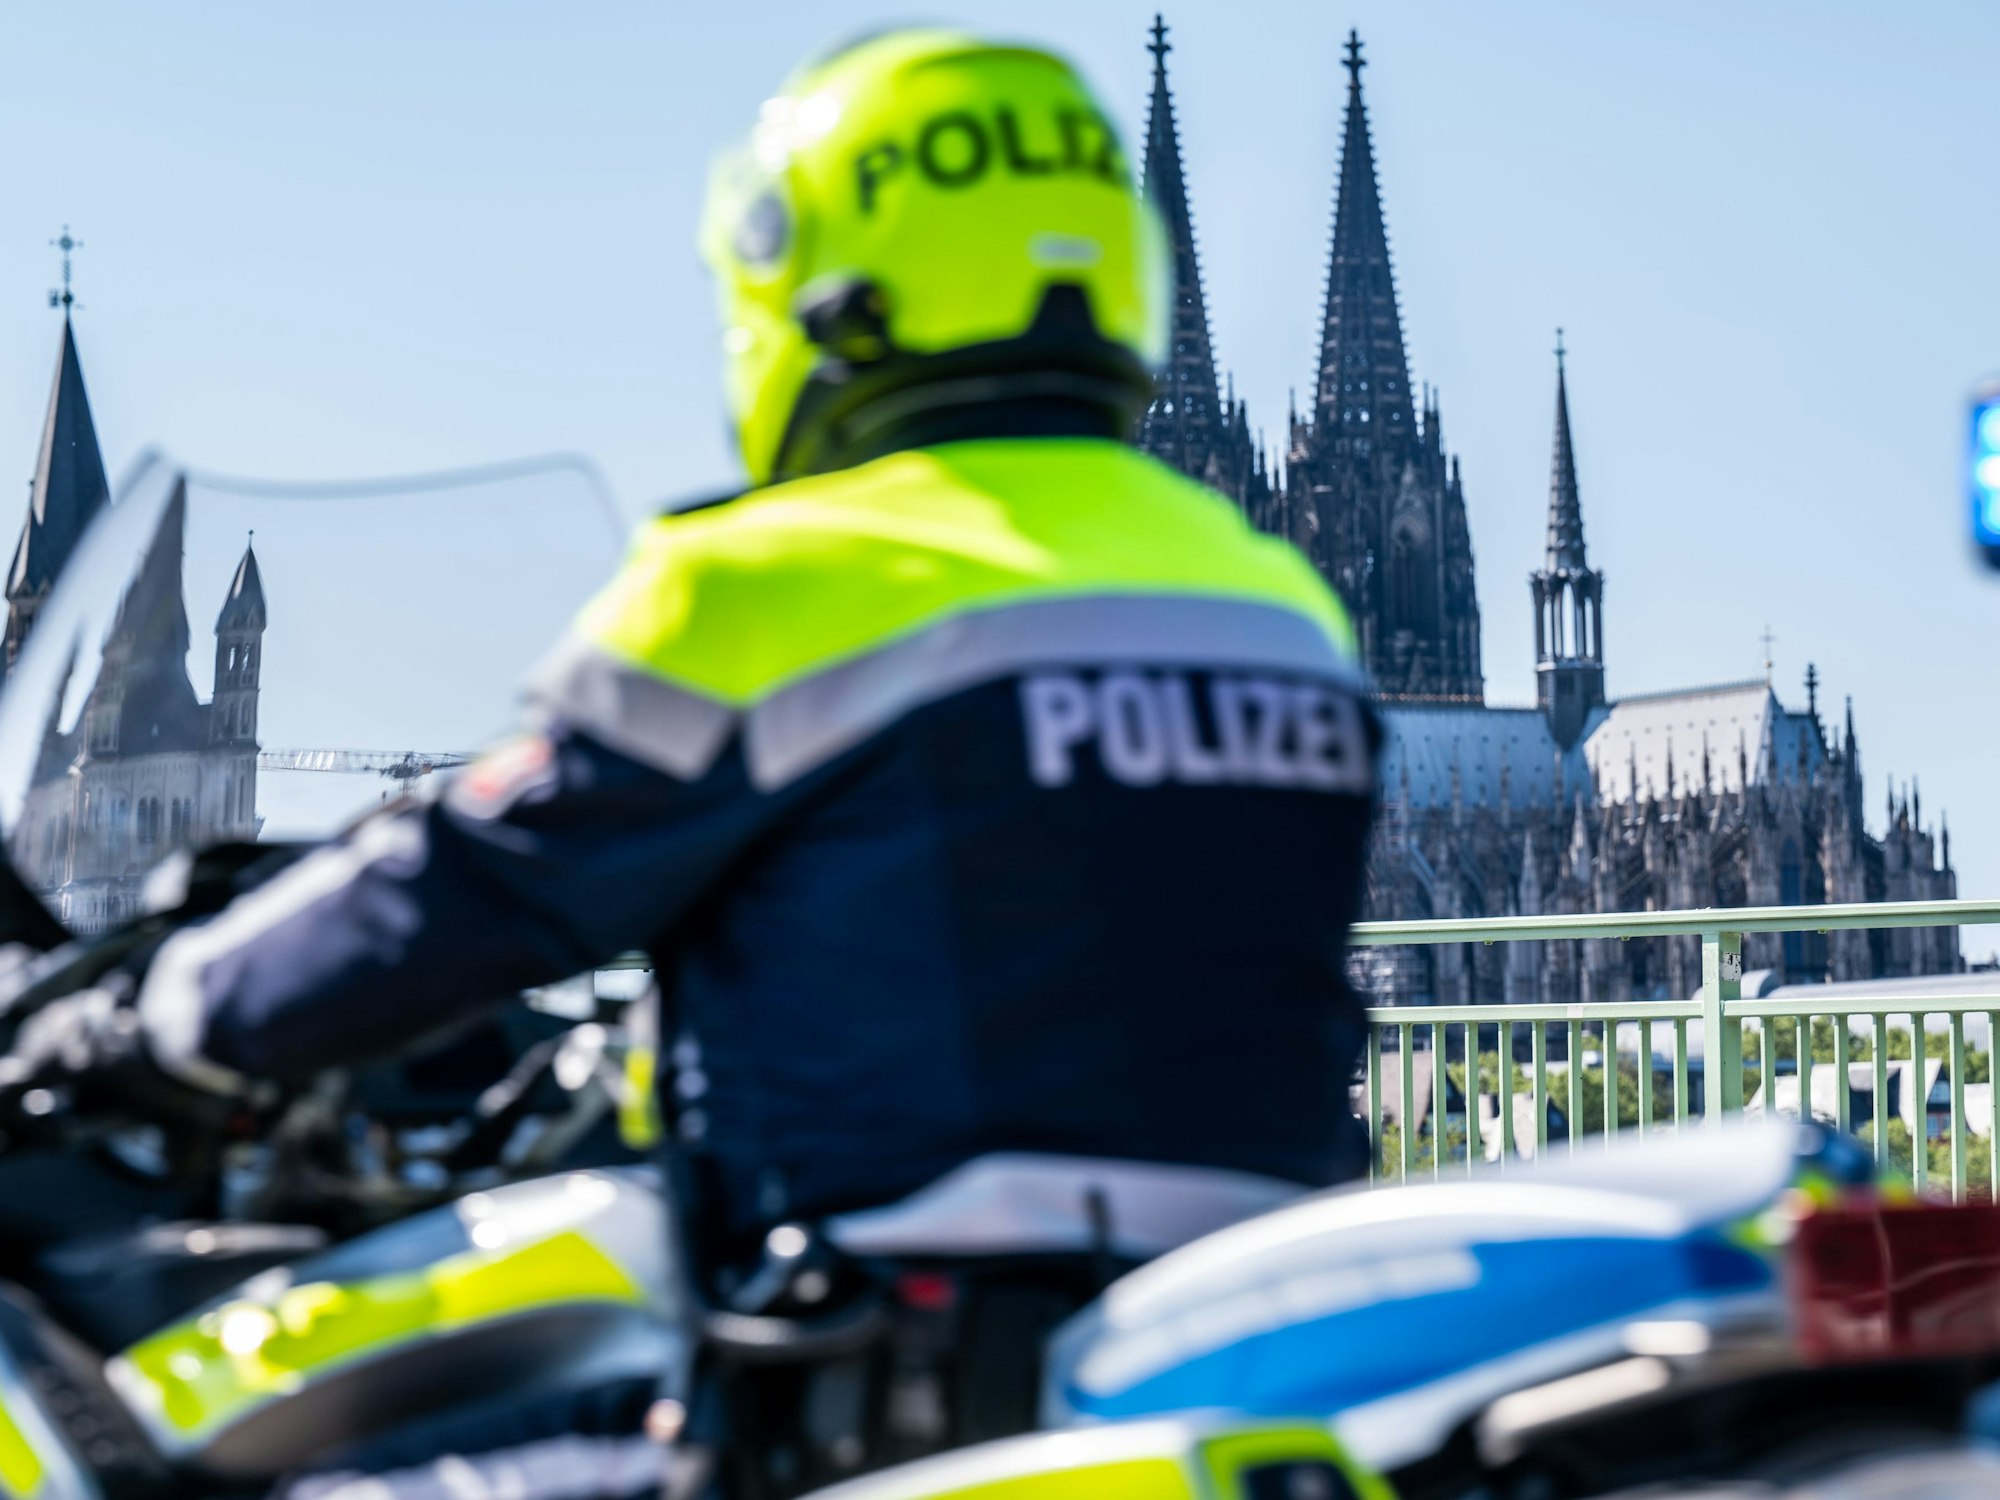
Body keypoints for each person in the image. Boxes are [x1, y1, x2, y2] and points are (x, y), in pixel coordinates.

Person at [11, 22, 1380, 1488]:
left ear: (817, 282)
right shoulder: (1273, 601)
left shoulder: (778, 581)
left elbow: (458, 889)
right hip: (1238, 1342)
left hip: (874, 1372)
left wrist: (154, 1018)